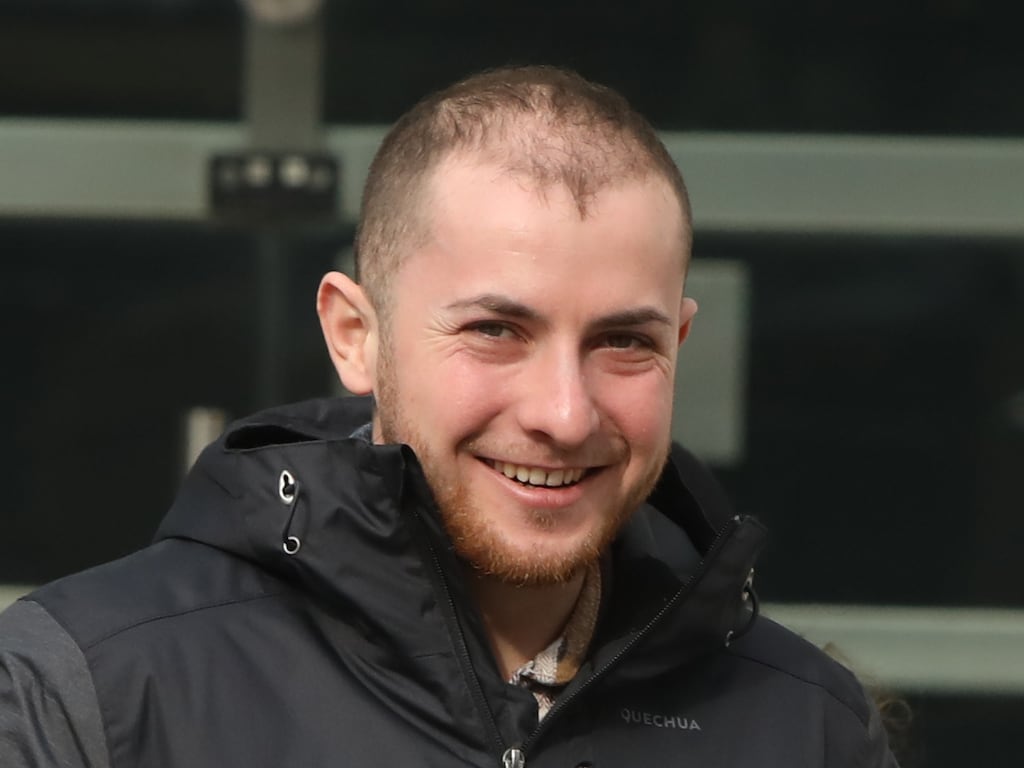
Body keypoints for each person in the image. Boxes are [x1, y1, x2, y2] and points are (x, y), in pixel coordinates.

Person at [0, 65, 897, 767]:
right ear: (356, 335)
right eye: (496, 330)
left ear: (681, 342)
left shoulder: (806, 728)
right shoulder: (89, 692)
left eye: (624, 342)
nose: (563, 411)